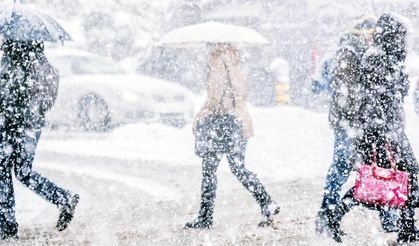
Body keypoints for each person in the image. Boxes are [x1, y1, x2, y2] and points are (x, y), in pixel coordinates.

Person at [325, 13, 419, 244]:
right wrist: (381, 134)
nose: (404, 41)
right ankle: (335, 216)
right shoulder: (377, 57)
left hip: (389, 131)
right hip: (380, 134)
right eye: (401, 36)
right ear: (392, 35)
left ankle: (406, 226)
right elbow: (375, 100)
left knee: (388, 181)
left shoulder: (387, 57)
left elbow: (393, 95)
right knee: (384, 182)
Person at [315, 15, 399, 236]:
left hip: (359, 122)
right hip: (350, 123)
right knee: (342, 168)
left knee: (378, 168)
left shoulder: (360, 53)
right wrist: (360, 114)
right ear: (362, 33)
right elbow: (347, 92)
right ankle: (327, 215)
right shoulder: (349, 52)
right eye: (371, 33)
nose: (374, 37)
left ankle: (389, 218)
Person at [184, 44, 279, 229]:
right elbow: (240, 94)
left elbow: (215, 98)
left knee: (209, 170)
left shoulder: (218, 62)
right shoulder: (236, 64)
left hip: (222, 122)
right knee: (238, 167)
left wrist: (201, 114)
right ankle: (266, 202)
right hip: (240, 121)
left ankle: (205, 217)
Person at [0, 40, 79, 240]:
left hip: (11, 123)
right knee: (23, 171)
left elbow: (6, 95)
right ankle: (63, 198)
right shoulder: (42, 63)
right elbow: (47, 99)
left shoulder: (13, 61)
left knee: (3, 170)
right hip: (31, 126)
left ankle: (7, 225)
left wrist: (13, 109)